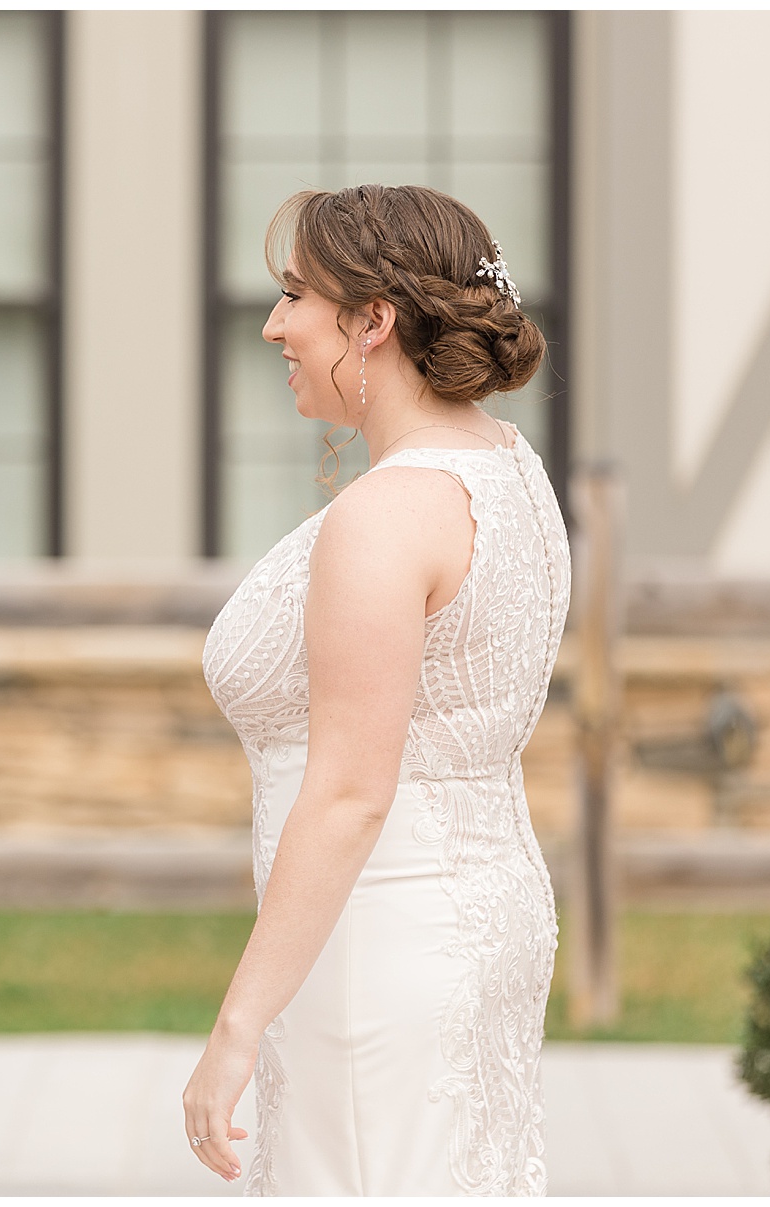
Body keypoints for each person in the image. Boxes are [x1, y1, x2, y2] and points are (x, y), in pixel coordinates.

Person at [183, 184, 569, 1195]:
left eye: (296, 296)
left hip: (375, 942)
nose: (274, 325)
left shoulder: (390, 514)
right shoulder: (511, 469)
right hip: (482, 914)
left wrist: (237, 1025)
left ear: (373, 321)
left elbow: (352, 790)